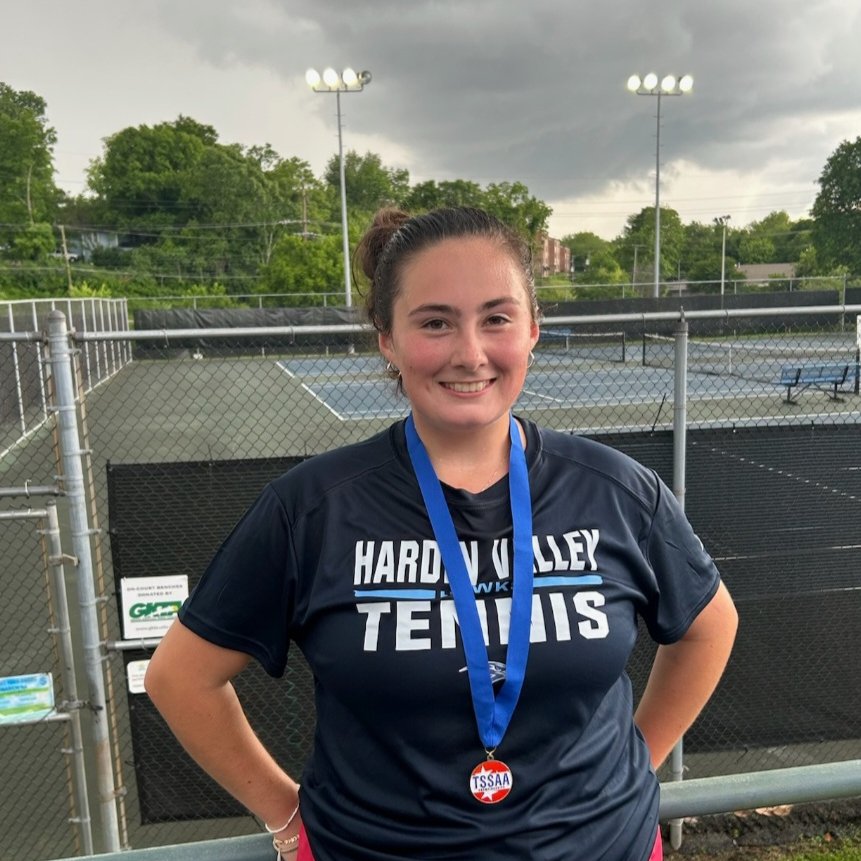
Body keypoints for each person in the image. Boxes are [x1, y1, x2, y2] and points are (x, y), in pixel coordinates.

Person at [145, 206, 738, 861]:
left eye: (496, 318)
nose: (470, 353)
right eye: (434, 322)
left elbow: (708, 626)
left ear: (532, 329)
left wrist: (632, 766)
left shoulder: (618, 491)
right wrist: (285, 813)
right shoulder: (310, 508)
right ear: (387, 338)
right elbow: (180, 676)